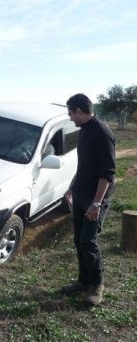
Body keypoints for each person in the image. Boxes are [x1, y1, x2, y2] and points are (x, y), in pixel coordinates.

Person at [61, 93, 116, 306]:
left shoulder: (103, 133)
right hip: (81, 194)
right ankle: (83, 281)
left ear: (79, 111)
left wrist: (96, 203)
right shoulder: (83, 131)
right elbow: (83, 164)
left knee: (88, 241)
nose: (70, 117)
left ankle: (97, 285)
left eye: (70, 113)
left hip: (96, 199)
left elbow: (107, 173)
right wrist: (72, 187)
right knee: (78, 240)